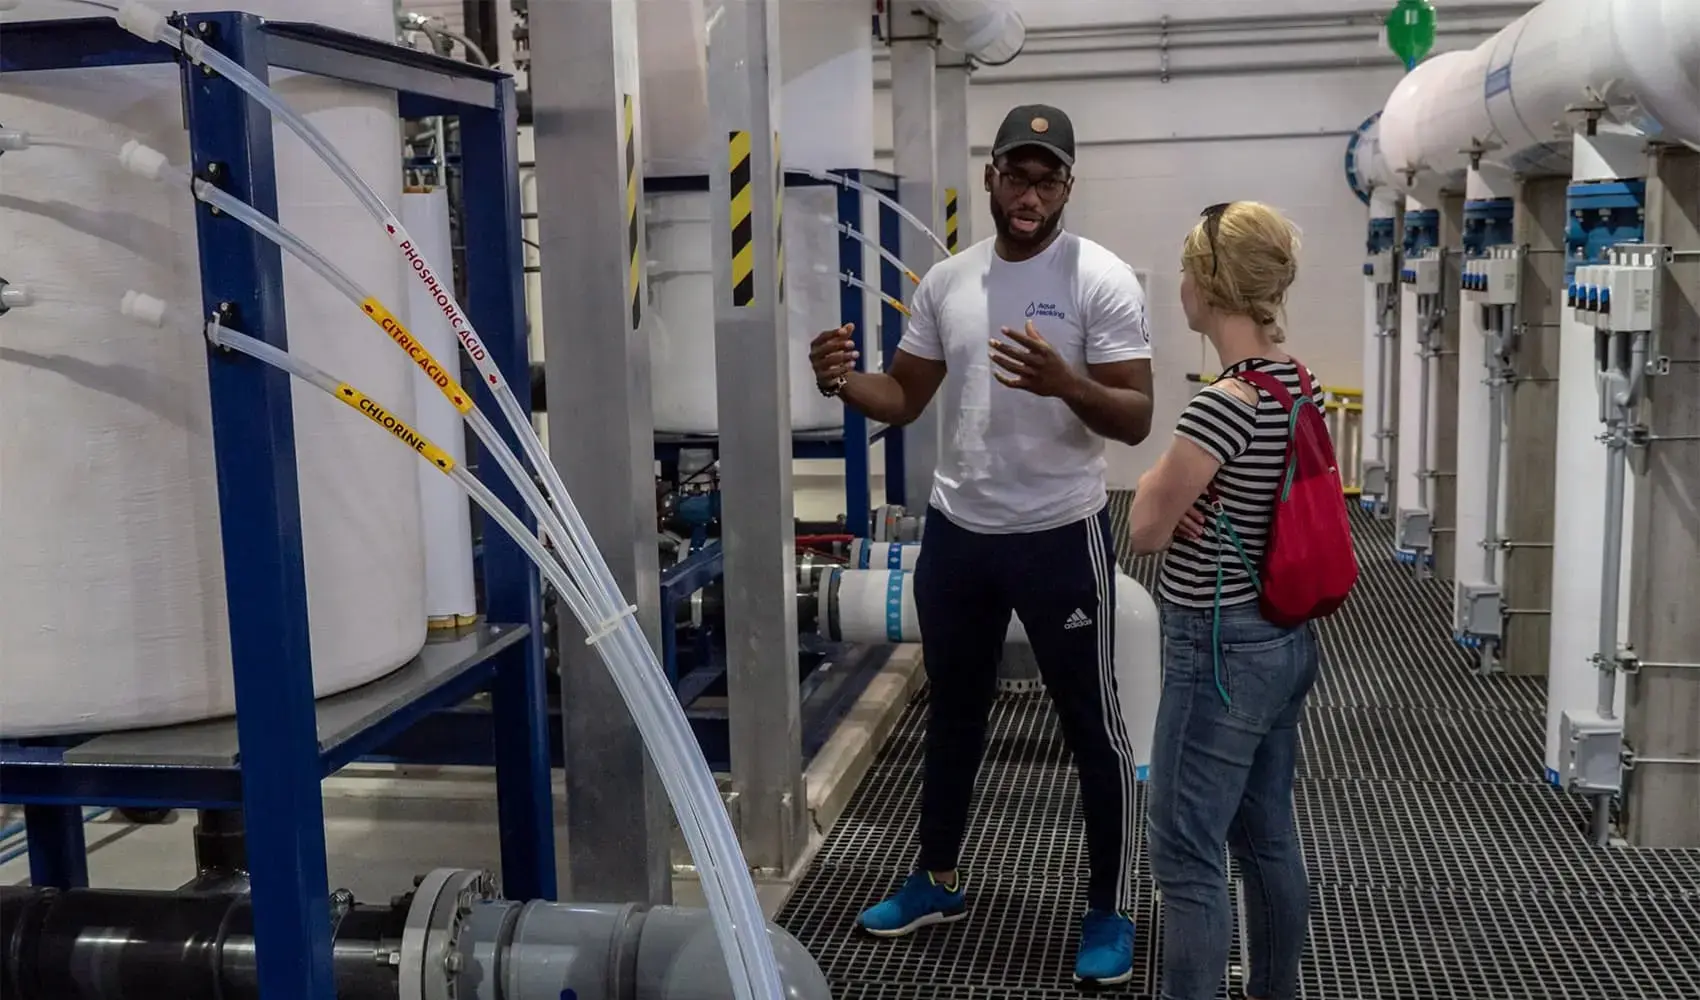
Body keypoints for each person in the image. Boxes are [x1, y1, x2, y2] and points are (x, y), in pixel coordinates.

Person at [808, 103, 1155, 986]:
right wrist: (846, 380)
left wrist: (1064, 380)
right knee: (953, 710)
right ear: (992, 177)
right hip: (961, 534)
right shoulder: (948, 282)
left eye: (1049, 179)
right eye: (1017, 174)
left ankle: (1111, 906)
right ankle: (937, 877)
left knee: (1092, 725)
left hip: (1058, 534)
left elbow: (1138, 413)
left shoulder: (1101, 279)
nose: (1030, 194)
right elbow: (905, 397)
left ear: (1067, 187)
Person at [1125, 201, 1322, 1000]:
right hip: (1281, 638)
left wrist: (1157, 487)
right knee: (1265, 835)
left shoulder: (1222, 403)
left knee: (1185, 852)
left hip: (1218, 647)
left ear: (1206, 285)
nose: (1178, 286)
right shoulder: (1293, 382)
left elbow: (1143, 528)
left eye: (1184, 271)